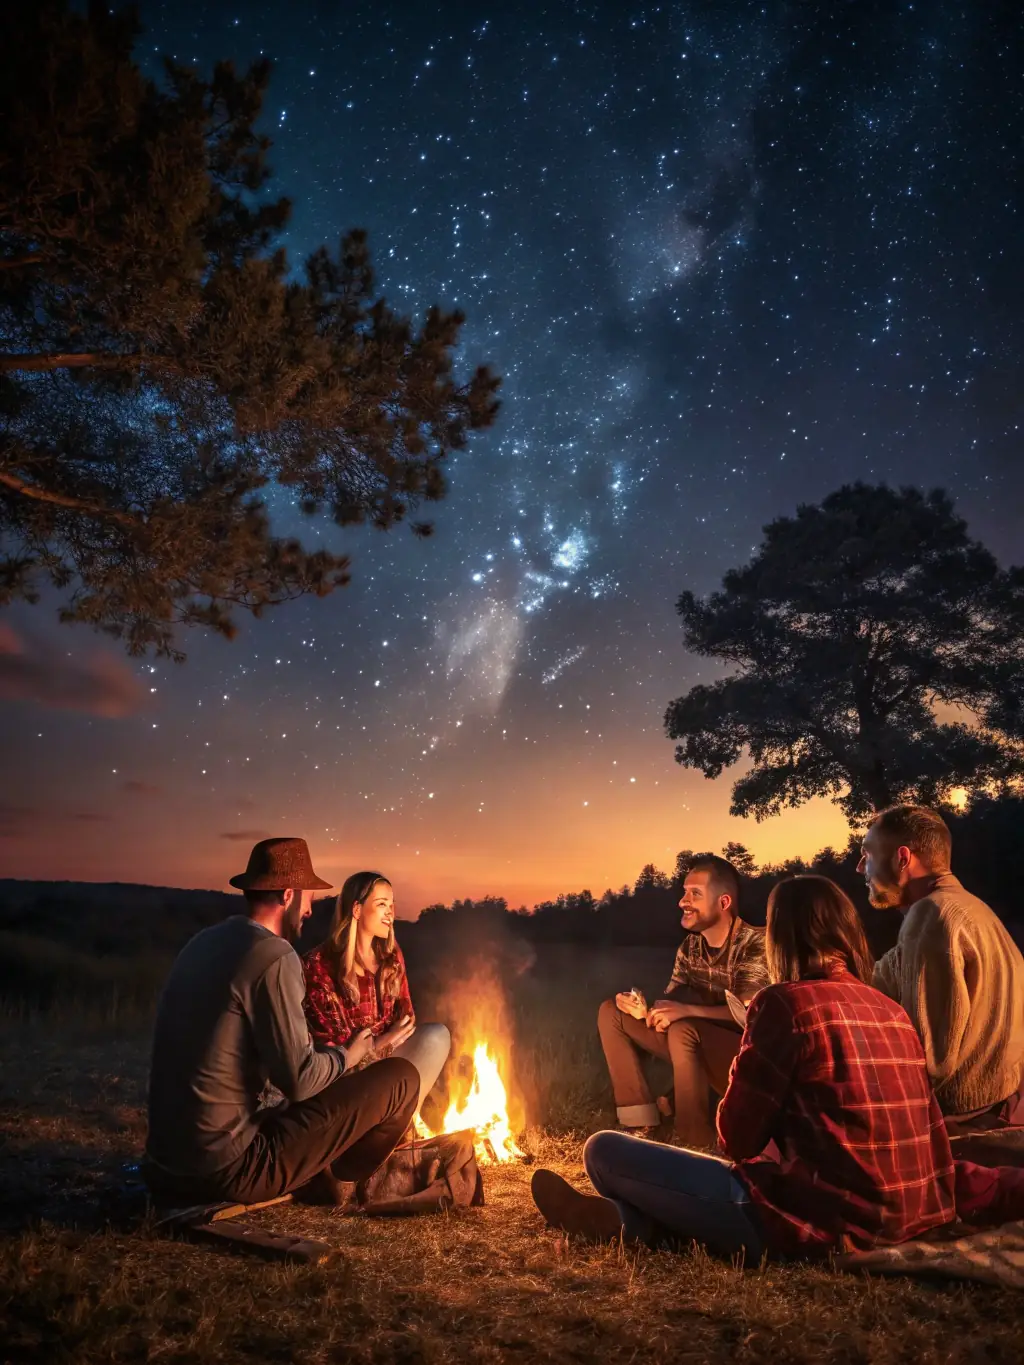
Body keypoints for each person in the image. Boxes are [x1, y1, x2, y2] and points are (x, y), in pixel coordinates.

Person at [533, 875, 958, 1260]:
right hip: (908, 1215)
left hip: (816, 1224)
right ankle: (631, 1224)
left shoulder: (784, 1003)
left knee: (602, 1151)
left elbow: (737, 1140)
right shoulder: (892, 1010)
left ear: (781, 937)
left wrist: (745, 1057)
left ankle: (639, 1221)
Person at [144, 838, 419, 1205]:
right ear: (288, 895)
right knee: (401, 1079)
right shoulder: (275, 956)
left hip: (165, 1164)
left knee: (301, 1102)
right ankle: (341, 1176)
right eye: (308, 897)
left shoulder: (204, 942)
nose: (310, 908)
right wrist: (349, 1055)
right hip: (226, 1170)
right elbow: (300, 1081)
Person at [861, 805, 1024, 1135]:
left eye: (867, 854)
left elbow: (926, 1057)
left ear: (902, 858)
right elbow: (885, 973)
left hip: (963, 1128)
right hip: (1002, 1107)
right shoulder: (973, 909)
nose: (860, 867)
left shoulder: (931, 915)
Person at [597, 855, 768, 1147]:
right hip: (692, 1043)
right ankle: (639, 1121)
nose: (683, 901)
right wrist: (645, 1010)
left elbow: (748, 1015)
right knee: (611, 1012)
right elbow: (672, 1000)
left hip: (744, 1057)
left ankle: (694, 1138)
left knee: (682, 1028)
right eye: (684, 892)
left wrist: (685, 1011)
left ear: (723, 903)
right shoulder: (690, 947)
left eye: (695, 894)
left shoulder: (755, 942)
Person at [303, 871, 451, 1108]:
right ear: (357, 910)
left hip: (389, 1062)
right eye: (382, 904)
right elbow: (338, 1051)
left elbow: (406, 1022)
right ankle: (373, 1130)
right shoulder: (319, 965)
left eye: (392, 905)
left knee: (436, 1036)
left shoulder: (390, 955)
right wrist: (382, 1042)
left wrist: (383, 1044)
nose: (391, 913)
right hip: (345, 1081)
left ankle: (400, 1124)